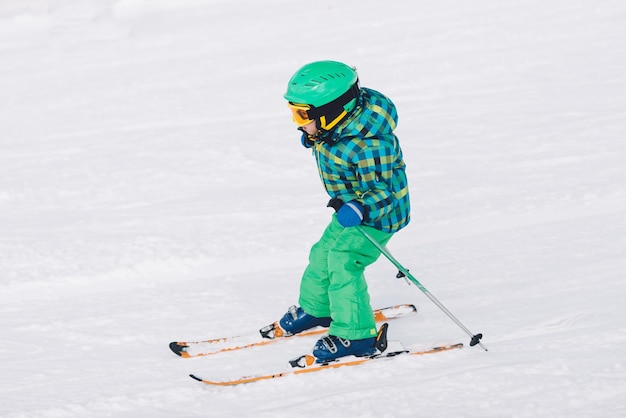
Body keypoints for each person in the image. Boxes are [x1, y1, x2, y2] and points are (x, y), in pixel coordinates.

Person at [266, 60, 410, 362]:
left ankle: (356, 336)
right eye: (294, 112)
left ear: (332, 112)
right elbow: (329, 143)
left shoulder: (369, 145)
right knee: (322, 253)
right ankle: (319, 309)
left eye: (302, 114)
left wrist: (361, 206)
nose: (297, 122)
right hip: (349, 208)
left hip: (378, 216)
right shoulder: (335, 129)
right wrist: (314, 133)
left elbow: (386, 192)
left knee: (343, 262)